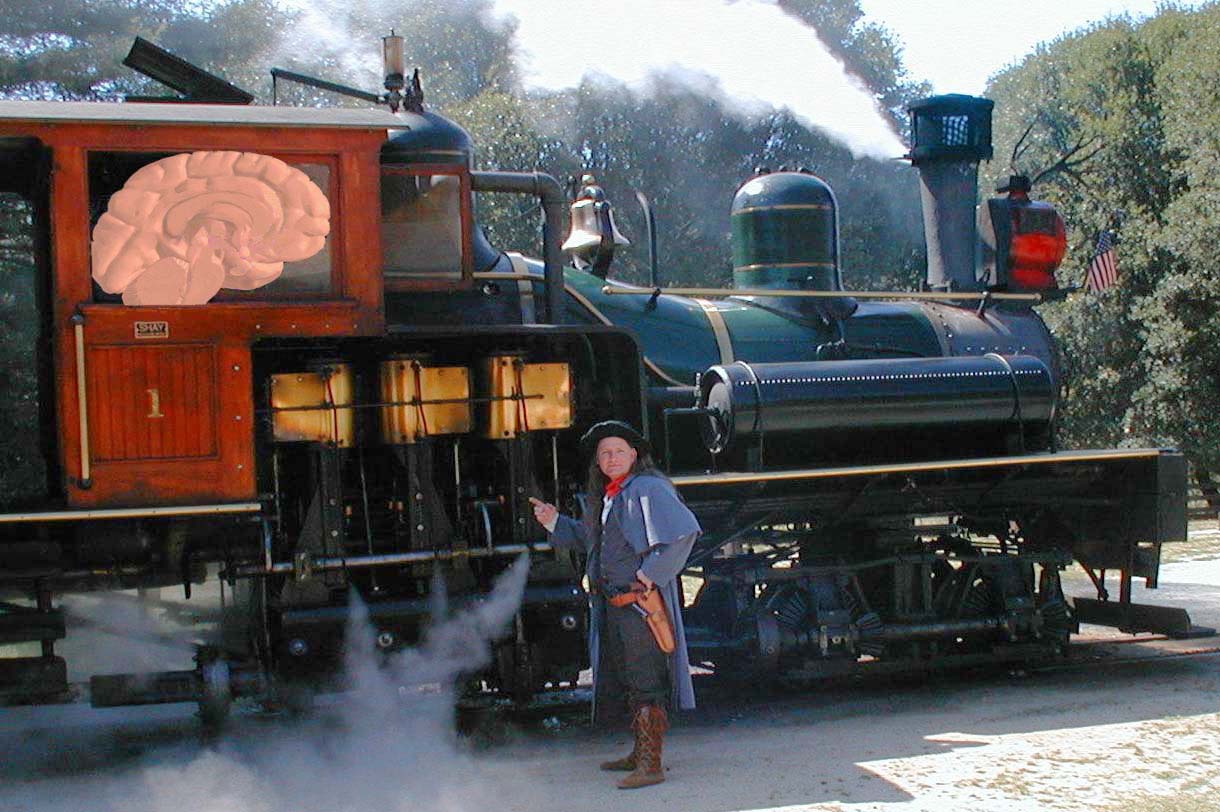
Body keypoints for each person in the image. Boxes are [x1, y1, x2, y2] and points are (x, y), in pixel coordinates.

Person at [530, 420, 701, 789]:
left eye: (618, 451)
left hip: (638, 604)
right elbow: (595, 541)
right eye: (605, 453)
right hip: (615, 604)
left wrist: (650, 574)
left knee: (645, 679)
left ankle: (650, 764)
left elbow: (684, 533)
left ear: (634, 455)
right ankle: (639, 753)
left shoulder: (649, 487)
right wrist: (555, 521)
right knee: (628, 677)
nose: (611, 458)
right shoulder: (613, 494)